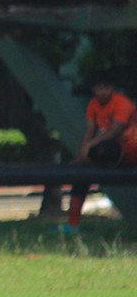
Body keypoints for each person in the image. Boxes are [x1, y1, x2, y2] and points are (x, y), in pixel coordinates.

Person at [55, 73, 137, 233]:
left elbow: (115, 131)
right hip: (111, 151)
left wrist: (91, 145)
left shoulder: (122, 103)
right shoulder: (93, 104)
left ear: (112, 87)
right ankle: (73, 223)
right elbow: (89, 131)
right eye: (100, 87)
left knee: (101, 151)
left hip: (130, 150)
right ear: (93, 89)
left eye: (107, 87)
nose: (103, 91)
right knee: (83, 172)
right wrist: (81, 156)